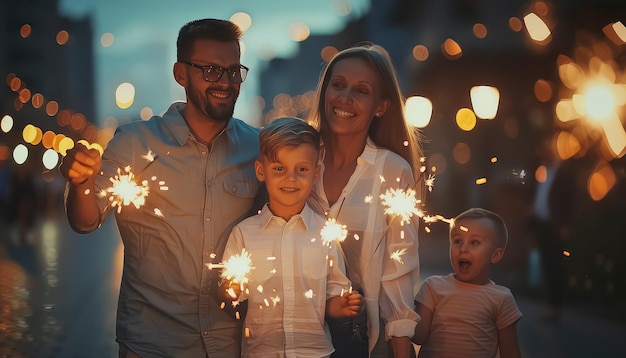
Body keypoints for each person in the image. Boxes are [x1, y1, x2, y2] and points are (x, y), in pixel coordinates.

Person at [59, 18, 261, 357]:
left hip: (234, 344)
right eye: (210, 70)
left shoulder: (257, 148)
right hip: (152, 345)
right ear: (180, 74)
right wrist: (81, 183)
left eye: (232, 70)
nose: (224, 82)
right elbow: (85, 220)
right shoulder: (135, 142)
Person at [306, 42, 422, 358]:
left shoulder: (393, 171)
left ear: (381, 106)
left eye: (361, 91)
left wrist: (402, 349)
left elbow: (398, 271)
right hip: (291, 339)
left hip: (359, 344)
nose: (345, 98)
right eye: (338, 85)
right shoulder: (296, 162)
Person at [220, 117, 363, 357]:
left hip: (315, 352)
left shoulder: (325, 232)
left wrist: (343, 306)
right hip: (261, 352)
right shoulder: (244, 234)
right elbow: (229, 294)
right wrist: (231, 290)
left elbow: (332, 296)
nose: (291, 178)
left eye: (302, 169)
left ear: (315, 173)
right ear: (260, 171)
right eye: (279, 168)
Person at [412, 208, 522, 358]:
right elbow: (418, 337)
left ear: (495, 255)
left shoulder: (501, 298)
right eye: (457, 241)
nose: (463, 249)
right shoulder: (433, 287)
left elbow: (511, 353)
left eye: (474, 242)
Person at [528, 133, 576, 321]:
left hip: (555, 226)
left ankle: (555, 306)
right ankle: (549, 305)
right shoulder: (541, 170)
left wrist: (565, 225)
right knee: (546, 265)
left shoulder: (565, 174)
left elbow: (571, 201)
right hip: (541, 225)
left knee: (555, 265)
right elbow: (534, 193)